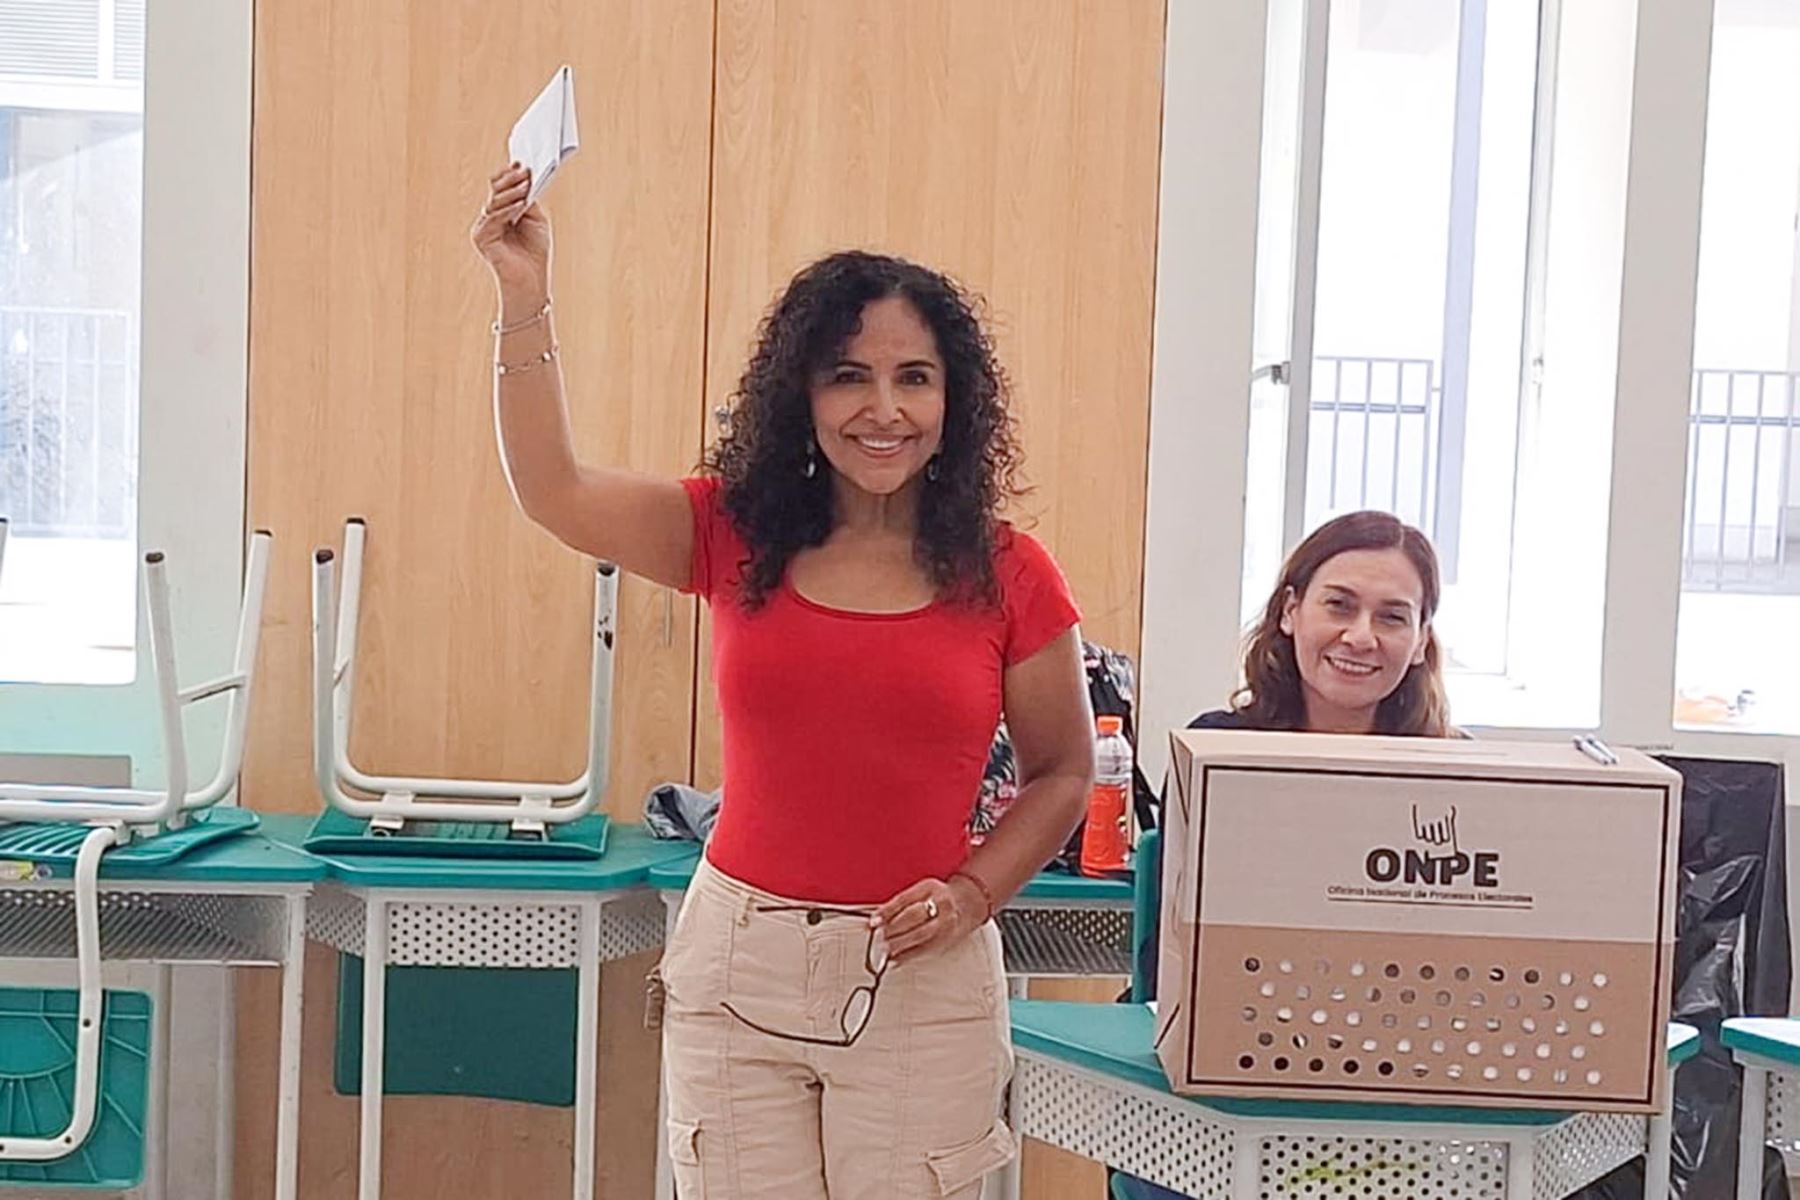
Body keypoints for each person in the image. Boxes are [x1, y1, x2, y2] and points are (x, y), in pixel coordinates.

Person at [471, 164, 1096, 1199]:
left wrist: (974, 892)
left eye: (914, 378)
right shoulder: (731, 531)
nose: (882, 408)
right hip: (738, 966)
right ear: (801, 394)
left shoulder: (1009, 572)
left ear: (954, 401)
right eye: (848, 375)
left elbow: (1065, 771)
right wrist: (522, 291)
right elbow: (553, 489)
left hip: (920, 980)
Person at [1116, 509, 1456, 1200]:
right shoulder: (1217, 750)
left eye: (1393, 617)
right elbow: (1173, 956)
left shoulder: (1454, 779)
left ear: (1421, 641)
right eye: (1339, 605)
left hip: (1386, 1088)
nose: (1361, 637)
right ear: (1291, 612)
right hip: (1222, 1074)